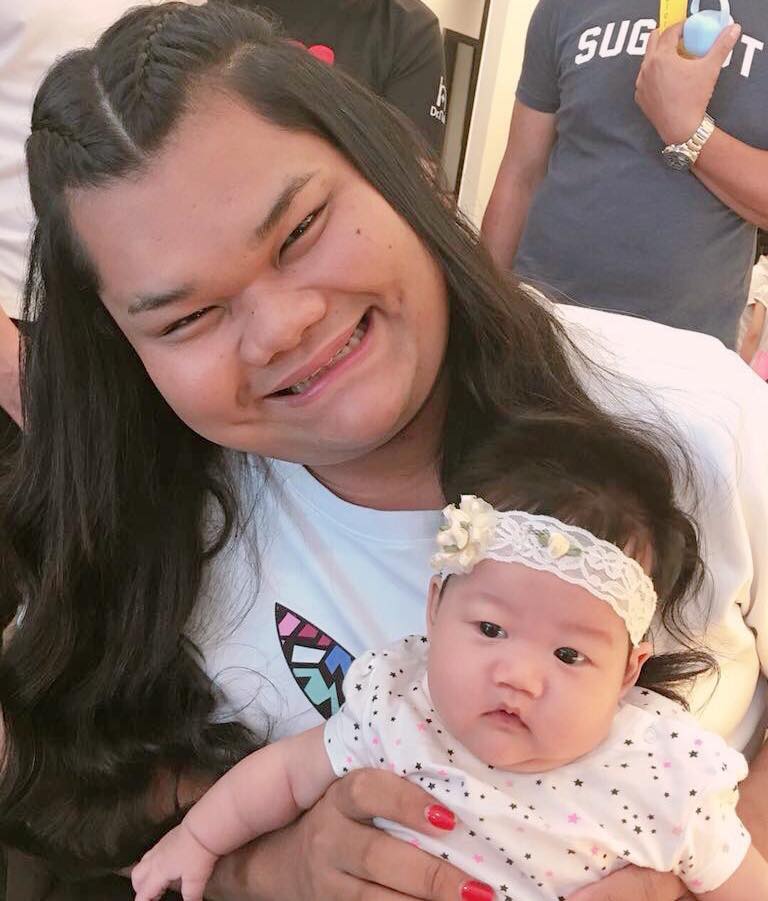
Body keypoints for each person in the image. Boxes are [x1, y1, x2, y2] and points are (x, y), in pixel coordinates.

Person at [0, 4, 766, 901]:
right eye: (189, 317)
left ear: (399, 171)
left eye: (299, 231)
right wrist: (267, 868)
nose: (282, 327)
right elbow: (68, 779)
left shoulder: (695, 414)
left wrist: (708, 865)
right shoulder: (149, 522)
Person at [131, 423, 767, 901]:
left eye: (569, 655)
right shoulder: (398, 708)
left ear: (628, 671)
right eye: (491, 629)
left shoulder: (661, 773)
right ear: (435, 608)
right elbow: (284, 777)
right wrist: (198, 839)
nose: (519, 676)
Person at [481, 0, 768, 347]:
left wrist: (687, 129)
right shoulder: (563, 7)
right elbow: (520, 174)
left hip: (683, 351)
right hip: (544, 324)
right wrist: (482, 313)